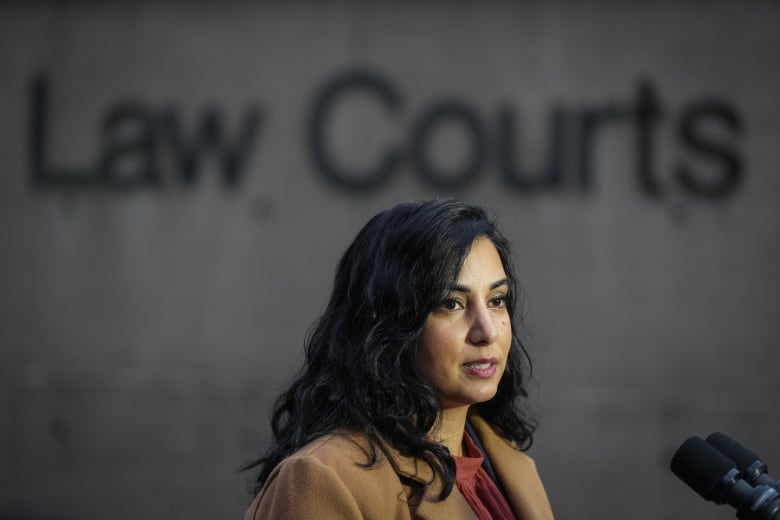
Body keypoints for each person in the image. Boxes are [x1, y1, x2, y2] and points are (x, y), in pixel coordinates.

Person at [242, 199, 554, 519]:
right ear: (388, 325)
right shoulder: (323, 478)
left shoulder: (507, 465)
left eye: (496, 300)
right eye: (451, 304)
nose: (486, 331)